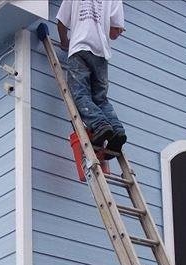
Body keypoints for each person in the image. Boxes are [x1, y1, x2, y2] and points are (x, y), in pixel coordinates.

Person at [56, 0, 127, 152]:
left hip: (79, 48)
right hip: (101, 53)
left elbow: (61, 22)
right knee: (100, 99)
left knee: (80, 94)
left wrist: (64, 41)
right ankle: (117, 130)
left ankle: (100, 125)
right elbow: (114, 32)